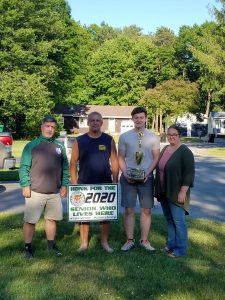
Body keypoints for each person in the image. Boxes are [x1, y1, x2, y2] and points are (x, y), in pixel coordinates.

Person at [19, 116, 69, 258]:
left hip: (54, 192)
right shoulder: (31, 146)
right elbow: (23, 167)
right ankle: (27, 248)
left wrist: (65, 184)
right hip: (35, 191)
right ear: (42, 127)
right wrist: (25, 185)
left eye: (53, 127)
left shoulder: (59, 146)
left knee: (51, 219)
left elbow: (65, 167)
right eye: (47, 126)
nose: (50, 129)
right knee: (30, 221)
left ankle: (51, 246)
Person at [70, 112, 119, 253]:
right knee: (84, 215)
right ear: (88, 122)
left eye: (98, 120)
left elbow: (115, 161)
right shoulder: (80, 140)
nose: (95, 122)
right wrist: (74, 183)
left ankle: (104, 242)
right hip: (84, 183)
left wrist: (115, 181)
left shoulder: (108, 139)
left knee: (105, 215)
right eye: (92, 120)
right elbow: (73, 163)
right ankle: (84, 243)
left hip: (105, 184)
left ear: (102, 122)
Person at [118, 106, 160, 251]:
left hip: (146, 179)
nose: (139, 120)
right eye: (136, 117)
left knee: (146, 210)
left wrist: (147, 173)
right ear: (132, 119)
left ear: (146, 118)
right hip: (128, 178)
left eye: (141, 117)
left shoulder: (153, 137)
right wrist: (125, 173)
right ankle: (130, 240)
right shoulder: (124, 136)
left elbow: (156, 158)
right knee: (129, 209)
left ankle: (144, 240)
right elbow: (120, 157)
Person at [155, 125, 195, 258]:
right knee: (169, 219)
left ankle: (180, 250)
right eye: (169, 134)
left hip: (176, 192)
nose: (171, 137)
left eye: (174, 134)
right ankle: (170, 245)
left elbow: (189, 173)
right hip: (164, 190)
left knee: (179, 222)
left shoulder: (185, 152)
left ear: (180, 136)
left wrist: (183, 192)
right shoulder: (166, 148)